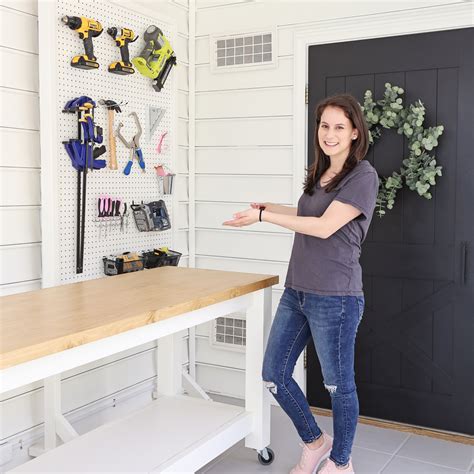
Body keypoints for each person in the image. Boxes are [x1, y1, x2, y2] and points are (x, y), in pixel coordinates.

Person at [223, 93, 379, 474]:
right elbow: (309, 212)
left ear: (355, 132)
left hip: (336, 297)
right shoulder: (320, 171)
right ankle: (314, 442)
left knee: (339, 387)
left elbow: (325, 227)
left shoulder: (363, 176)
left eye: (339, 127)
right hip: (298, 291)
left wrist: (264, 219)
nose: (330, 133)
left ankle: (341, 464)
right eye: (324, 125)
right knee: (274, 372)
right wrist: (268, 208)